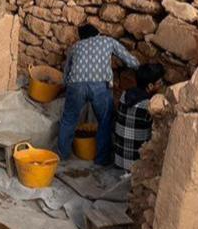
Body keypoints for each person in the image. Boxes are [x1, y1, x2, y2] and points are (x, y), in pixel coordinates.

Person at [57, 24, 139, 165]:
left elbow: (66, 73)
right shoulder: (107, 41)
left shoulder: (75, 47)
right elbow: (129, 59)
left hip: (76, 85)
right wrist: (139, 67)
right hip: (100, 86)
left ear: (81, 37)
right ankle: (101, 160)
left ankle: (61, 156)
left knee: (68, 120)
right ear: (98, 33)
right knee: (105, 121)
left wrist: (67, 86)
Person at [113, 62, 166, 172]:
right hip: (134, 162)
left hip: (119, 158)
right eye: (159, 83)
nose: (162, 85)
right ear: (150, 86)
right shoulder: (148, 105)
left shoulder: (125, 95)